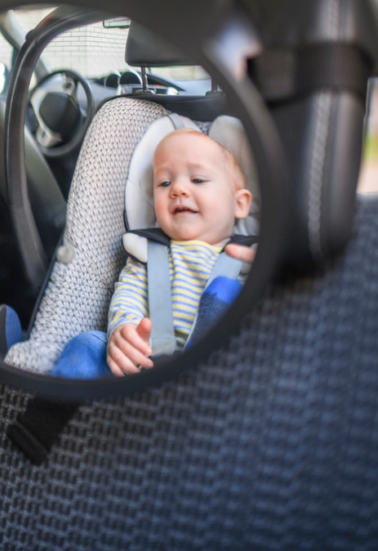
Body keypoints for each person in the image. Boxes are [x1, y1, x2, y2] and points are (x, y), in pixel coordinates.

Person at [51, 128, 253, 378]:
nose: (177, 189)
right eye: (164, 182)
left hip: (219, 370)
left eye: (198, 179)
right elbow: (129, 296)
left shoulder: (248, 259)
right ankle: (52, 413)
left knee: (228, 290)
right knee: (86, 345)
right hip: (146, 365)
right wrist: (124, 330)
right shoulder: (148, 252)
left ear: (240, 203)